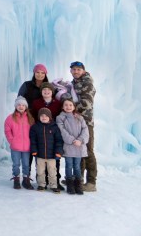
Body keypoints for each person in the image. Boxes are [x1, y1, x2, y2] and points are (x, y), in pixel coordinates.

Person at [70, 61, 97, 192]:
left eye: (78, 69)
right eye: (74, 69)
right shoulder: (73, 84)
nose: (76, 71)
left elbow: (86, 103)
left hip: (86, 122)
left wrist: (70, 108)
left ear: (83, 71)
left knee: (88, 151)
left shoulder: (88, 83)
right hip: (75, 122)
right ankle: (78, 179)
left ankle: (91, 182)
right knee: (78, 151)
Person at [56, 97, 89, 195]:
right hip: (69, 146)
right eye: (66, 105)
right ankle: (70, 184)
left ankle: (78, 184)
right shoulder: (60, 117)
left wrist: (80, 140)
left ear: (74, 107)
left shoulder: (79, 117)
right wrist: (72, 140)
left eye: (70, 105)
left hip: (79, 146)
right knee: (69, 165)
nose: (68, 107)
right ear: (62, 107)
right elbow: (62, 131)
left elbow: (85, 130)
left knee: (77, 166)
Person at [30, 108, 63, 193]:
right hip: (40, 155)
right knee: (40, 171)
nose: (44, 117)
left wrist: (58, 152)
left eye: (46, 116)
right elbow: (33, 140)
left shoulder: (55, 127)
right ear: (39, 117)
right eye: (42, 116)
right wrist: (34, 150)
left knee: (52, 171)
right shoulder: (35, 127)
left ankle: (53, 185)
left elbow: (59, 141)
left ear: (50, 117)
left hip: (52, 156)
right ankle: (41, 185)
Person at [4, 96, 34, 190]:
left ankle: (26, 179)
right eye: (19, 105)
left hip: (27, 147)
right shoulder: (10, 118)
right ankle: (16, 179)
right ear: (16, 106)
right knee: (16, 164)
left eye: (23, 105)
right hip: (15, 146)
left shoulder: (30, 118)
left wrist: (32, 142)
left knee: (26, 164)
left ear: (26, 107)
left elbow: (33, 131)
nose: (21, 106)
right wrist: (11, 141)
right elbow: (7, 131)